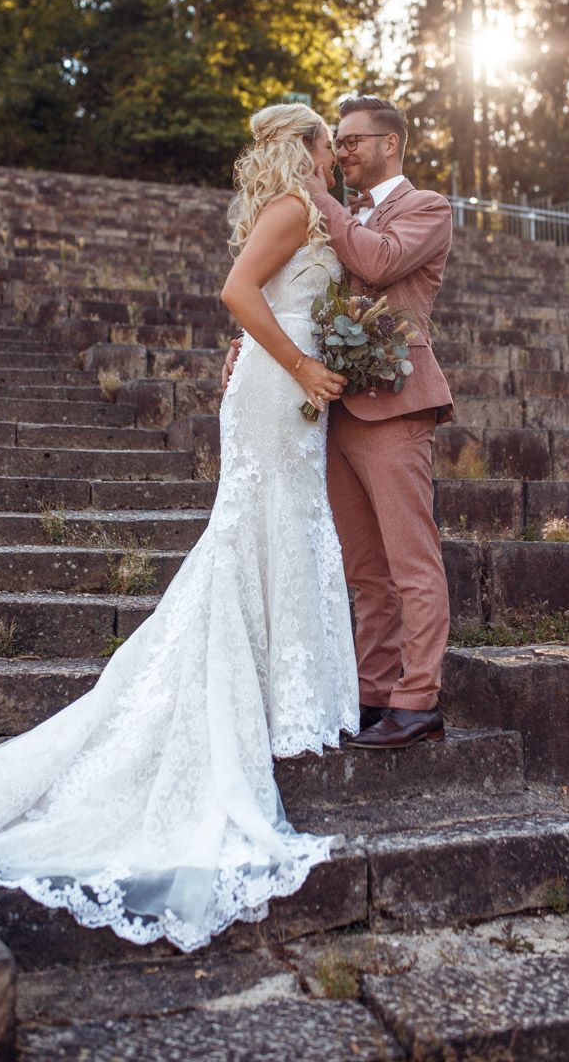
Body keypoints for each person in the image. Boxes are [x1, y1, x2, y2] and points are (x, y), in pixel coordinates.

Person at [0, 103, 359, 952]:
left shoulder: (311, 212)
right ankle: (254, 696)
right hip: (280, 384)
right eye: (328, 143)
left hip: (294, 382)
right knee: (261, 523)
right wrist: (296, 363)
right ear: (305, 148)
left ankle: (283, 695)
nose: (334, 155)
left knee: (288, 522)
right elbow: (236, 292)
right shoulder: (292, 207)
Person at [224, 95, 454, 749]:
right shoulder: (334, 214)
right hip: (333, 408)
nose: (343, 150)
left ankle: (418, 700)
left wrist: (314, 192)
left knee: (410, 559)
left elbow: (377, 263)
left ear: (390, 143)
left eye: (352, 140)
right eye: (337, 141)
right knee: (364, 566)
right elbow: (300, 293)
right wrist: (251, 342)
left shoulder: (427, 208)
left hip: (396, 403)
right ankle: (375, 693)